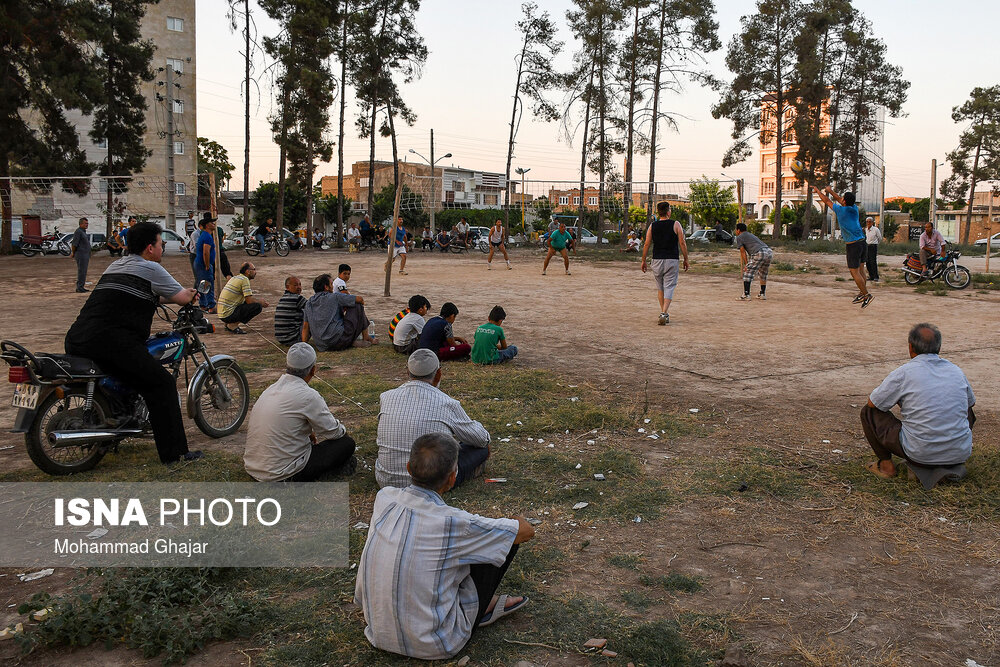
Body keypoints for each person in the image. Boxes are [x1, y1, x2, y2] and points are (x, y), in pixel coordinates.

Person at [356, 432, 534, 660]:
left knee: (479, 542)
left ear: (409, 468)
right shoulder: (455, 523)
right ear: (452, 478)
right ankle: (482, 607)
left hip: (378, 633)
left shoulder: (385, 498)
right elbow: (525, 531)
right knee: (502, 540)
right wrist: (511, 519)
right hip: (438, 643)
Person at [64, 222, 201, 464]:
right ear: (150, 248)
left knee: (127, 376)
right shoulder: (152, 268)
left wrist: (159, 297)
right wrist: (191, 294)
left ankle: (116, 419)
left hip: (78, 338)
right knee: (162, 384)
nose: (164, 246)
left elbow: (131, 292)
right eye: (161, 243)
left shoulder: (114, 265)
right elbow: (181, 297)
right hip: (111, 342)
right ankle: (175, 454)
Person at [861, 323, 975, 483]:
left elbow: (873, 404)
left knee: (868, 412)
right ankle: (950, 450)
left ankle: (886, 466)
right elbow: (970, 403)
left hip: (920, 453)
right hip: (959, 453)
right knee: (967, 408)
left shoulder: (905, 372)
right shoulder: (956, 370)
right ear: (939, 348)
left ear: (910, 347)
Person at [375, 350, 491, 488]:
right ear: (439, 374)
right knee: (481, 449)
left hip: (386, 480)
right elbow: (481, 439)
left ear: (408, 372)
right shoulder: (446, 403)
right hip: (432, 483)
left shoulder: (386, 397)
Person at [244, 343, 357, 481]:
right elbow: (334, 432)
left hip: (253, 467)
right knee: (346, 444)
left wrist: (309, 433)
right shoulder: (308, 395)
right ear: (313, 370)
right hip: (281, 474)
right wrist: (343, 433)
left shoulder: (271, 389)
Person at [812, 186, 872, 308]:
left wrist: (819, 191)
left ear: (844, 201)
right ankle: (862, 292)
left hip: (853, 245)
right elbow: (839, 199)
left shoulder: (841, 210)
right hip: (862, 242)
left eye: (843, 198)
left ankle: (866, 295)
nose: (841, 199)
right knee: (861, 270)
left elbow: (827, 201)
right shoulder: (854, 208)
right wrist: (830, 191)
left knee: (854, 272)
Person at [640, 201, 689, 325]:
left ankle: (664, 313)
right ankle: (664, 313)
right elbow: (682, 242)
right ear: (668, 212)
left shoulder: (653, 226)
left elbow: (646, 243)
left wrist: (643, 260)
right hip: (671, 260)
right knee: (669, 286)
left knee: (660, 287)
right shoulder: (676, 224)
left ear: (658, 212)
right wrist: (686, 259)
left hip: (657, 260)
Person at [302, 273, 377, 351]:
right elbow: (360, 300)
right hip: (339, 341)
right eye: (331, 284)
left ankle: (352, 341)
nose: (333, 286)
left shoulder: (309, 303)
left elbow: (305, 327)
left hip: (322, 346)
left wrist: (303, 346)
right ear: (326, 287)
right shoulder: (334, 297)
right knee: (357, 305)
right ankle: (366, 338)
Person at [217, 262, 269, 334]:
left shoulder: (235, 278)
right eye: (254, 269)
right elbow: (249, 301)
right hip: (227, 314)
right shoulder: (244, 280)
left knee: (248, 302)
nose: (255, 272)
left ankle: (229, 323)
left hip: (222, 313)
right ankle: (233, 325)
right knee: (257, 307)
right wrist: (261, 302)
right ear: (248, 271)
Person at [734, 222, 773, 301]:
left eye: (736, 230)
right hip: (768, 251)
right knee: (763, 273)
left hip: (759, 252)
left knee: (748, 273)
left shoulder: (739, 237)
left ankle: (746, 294)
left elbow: (742, 252)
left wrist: (746, 264)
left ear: (738, 230)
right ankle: (762, 294)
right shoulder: (751, 235)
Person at [194, 213, 218, 313]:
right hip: (203, 264)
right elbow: (206, 252)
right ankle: (211, 306)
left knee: (203, 284)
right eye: (212, 223)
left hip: (199, 263)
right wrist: (207, 265)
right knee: (208, 284)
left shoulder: (203, 235)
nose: (214, 224)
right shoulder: (207, 237)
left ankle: (203, 305)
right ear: (207, 225)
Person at [274, 276, 308, 345]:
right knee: (310, 316)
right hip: (293, 338)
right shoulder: (297, 298)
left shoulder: (283, 298)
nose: (299, 287)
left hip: (281, 339)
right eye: (295, 285)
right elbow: (313, 308)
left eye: (300, 284)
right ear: (287, 287)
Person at [70, 217, 91, 293]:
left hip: (85, 254)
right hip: (81, 254)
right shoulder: (78, 232)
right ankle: (80, 287)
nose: (87, 225)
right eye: (85, 223)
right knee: (82, 271)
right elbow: (74, 244)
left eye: (87, 223)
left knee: (84, 271)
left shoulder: (83, 231)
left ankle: (81, 286)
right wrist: (73, 253)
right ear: (81, 224)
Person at [863, 217, 883, 282]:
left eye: (870, 222)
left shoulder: (875, 229)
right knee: (867, 262)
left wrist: (875, 243)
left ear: (872, 222)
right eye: (867, 222)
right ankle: (871, 276)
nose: (868, 223)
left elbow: (879, 238)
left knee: (873, 262)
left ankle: (876, 276)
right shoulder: (866, 230)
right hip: (867, 246)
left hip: (873, 246)